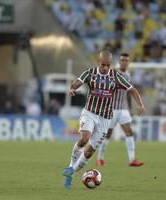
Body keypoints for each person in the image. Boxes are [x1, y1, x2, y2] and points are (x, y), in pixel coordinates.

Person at [62, 50, 146, 189]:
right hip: (89, 112)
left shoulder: (115, 76)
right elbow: (78, 81)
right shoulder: (90, 73)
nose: (105, 68)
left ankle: (71, 174)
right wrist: (72, 88)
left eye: (108, 65)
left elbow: (132, 90)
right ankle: (70, 166)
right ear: (98, 62)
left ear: (110, 64)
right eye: (103, 65)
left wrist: (141, 105)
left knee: (89, 152)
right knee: (84, 139)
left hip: (105, 118)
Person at [96, 53, 144, 167]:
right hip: (111, 108)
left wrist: (131, 108)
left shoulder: (128, 75)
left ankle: (132, 159)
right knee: (107, 134)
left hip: (123, 109)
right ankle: (100, 158)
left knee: (129, 132)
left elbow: (128, 93)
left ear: (128, 62)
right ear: (119, 61)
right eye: (122, 60)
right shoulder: (113, 73)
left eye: (126, 60)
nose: (124, 62)